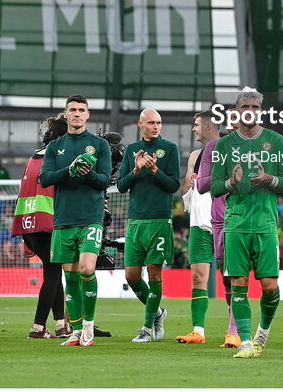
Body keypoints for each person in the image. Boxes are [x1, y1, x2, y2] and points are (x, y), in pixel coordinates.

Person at [210, 87, 283, 358]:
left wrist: (270, 179)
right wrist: (232, 182)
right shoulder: (224, 145)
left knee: (269, 287)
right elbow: (213, 187)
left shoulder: (277, 141)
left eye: (255, 108)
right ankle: (246, 342)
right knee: (239, 284)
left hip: (267, 224)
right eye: (246, 107)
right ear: (237, 112)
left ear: (261, 111)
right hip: (236, 223)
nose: (251, 112)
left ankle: (263, 332)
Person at [38, 95, 112, 347]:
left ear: (88, 115)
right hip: (63, 220)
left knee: (87, 270)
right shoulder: (55, 146)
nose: (77, 114)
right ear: (66, 114)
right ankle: (77, 331)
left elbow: (104, 181)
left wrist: (88, 172)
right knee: (69, 279)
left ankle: (89, 325)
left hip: (91, 218)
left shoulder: (100, 145)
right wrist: (69, 170)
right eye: (73, 110)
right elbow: (45, 178)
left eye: (82, 110)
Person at [117, 108, 181, 343]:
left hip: (159, 219)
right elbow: (122, 186)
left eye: (159, 122)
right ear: (141, 124)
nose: (156, 126)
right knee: (132, 276)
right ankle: (158, 312)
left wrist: (154, 170)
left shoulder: (170, 149)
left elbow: (174, 185)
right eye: (151, 122)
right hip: (136, 220)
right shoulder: (133, 150)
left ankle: (146, 328)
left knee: (154, 272)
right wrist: (136, 170)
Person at [12, 115, 70, 339]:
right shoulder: (59, 158)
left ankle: (60, 325)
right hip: (48, 222)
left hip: (28, 223)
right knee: (54, 274)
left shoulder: (32, 158)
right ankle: (38, 327)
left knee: (51, 272)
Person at [195, 108, 240, 348]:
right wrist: (228, 181)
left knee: (238, 276)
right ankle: (236, 324)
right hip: (219, 220)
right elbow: (201, 185)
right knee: (227, 279)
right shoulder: (213, 149)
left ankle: (235, 330)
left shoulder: (262, 146)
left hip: (245, 221)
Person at [176, 111, 220, 344]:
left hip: (224, 223)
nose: (193, 129)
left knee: (232, 279)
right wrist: (188, 183)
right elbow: (185, 193)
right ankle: (198, 331)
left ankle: (234, 332)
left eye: (196, 125)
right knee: (198, 277)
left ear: (209, 126)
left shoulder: (227, 149)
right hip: (198, 224)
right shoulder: (195, 155)